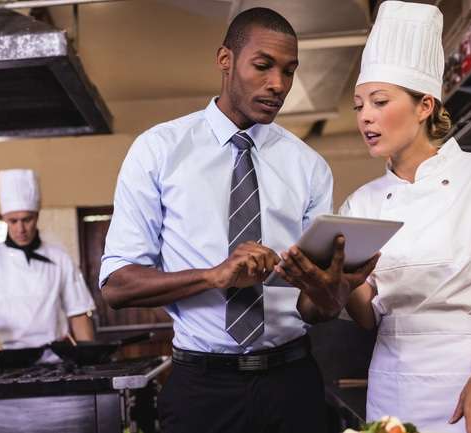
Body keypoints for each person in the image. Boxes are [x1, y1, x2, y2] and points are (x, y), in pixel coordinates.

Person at [99, 7, 377, 433]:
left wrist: (332, 295)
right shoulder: (158, 150)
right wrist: (215, 276)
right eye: (263, 66)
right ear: (225, 59)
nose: (278, 84)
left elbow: (312, 308)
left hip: (292, 382)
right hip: (201, 389)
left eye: (289, 71)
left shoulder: (308, 167)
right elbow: (117, 286)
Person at [321, 2, 471, 433]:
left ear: (424, 106)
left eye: (380, 101)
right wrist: (339, 282)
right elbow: (367, 316)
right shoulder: (362, 202)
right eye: (358, 106)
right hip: (392, 386)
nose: (365, 117)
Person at [0, 169, 96, 358]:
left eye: (27, 220)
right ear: (4, 219)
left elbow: (78, 313)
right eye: (13, 221)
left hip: (52, 357)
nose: (20, 228)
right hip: (3, 358)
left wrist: (89, 359)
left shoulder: (60, 258)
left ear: (37, 216)